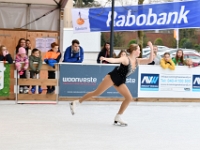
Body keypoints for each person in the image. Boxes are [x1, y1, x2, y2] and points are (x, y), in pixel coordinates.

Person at [69, 41, 154, 126]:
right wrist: (106, 59)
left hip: (120, 80)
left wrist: (151, 47)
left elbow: (150, 60)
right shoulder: (126, 59)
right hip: (112, 77)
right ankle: (76, 102)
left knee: (129, 98)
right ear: (134, 51)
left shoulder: (137, 61)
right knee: (96, 92)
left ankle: (118, 116)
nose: (140, 52)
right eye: (139, 50)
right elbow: (115, 60)